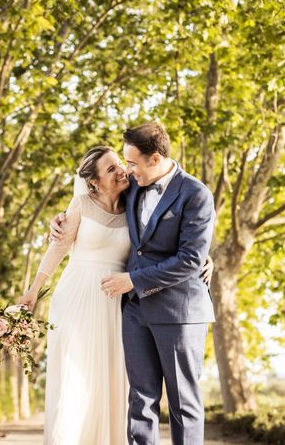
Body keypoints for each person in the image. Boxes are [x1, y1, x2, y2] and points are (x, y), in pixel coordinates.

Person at [52, 123, 216, 445]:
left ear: (154, 158)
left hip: (179, 312)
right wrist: (60, 222)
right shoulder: (134, 188)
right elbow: (94, 202)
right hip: (134, 312)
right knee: (140, 401)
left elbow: (190, 259)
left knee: (184, 404)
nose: (127, 171)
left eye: (132, 163)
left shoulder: (196, 194)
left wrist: (133, 280)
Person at [19, 146, 131, 444]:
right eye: (110, 169)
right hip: (75, 300)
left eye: (119, 163)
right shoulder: (80, 203)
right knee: (73, 378)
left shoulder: (135, 204)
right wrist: (33, 290)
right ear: (94, 182)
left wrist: (202, 257)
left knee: (109, 380)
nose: (121, 170)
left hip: (114, 305)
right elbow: (57, 247)